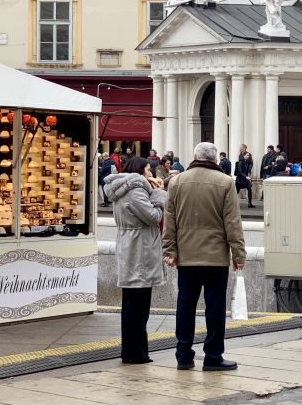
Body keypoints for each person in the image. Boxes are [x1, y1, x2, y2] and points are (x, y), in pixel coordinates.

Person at [163, 142, 246, 372]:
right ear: (215, 160)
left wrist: (169, 250)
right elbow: (232, 223)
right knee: (215, 309)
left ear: (194, 156)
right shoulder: (225, 183)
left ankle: (183, 355)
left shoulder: (177, 182)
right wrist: (238, 254)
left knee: (185, 306)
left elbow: (170, 219)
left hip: (187, 257)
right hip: (215, 258)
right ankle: (212, 356)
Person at [103, 157, 167, 364]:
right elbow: (153, 216)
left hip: (130, 245)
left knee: (132, 303)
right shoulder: (136, 190)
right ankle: (135, 352)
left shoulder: (123, 188)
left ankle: (133, 350)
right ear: (140, 170)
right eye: (148, 170)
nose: (151, 173)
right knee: (139, 304)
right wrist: (158, 193)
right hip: (139, 248)